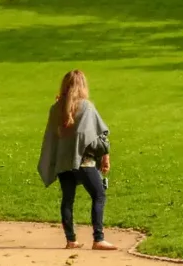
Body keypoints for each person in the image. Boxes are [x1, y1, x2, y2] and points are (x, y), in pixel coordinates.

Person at [37, 70, 115, 250]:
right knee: (99, 195)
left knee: (67, 199)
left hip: (63, 163)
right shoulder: (86, 107)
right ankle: (98, 238)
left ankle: (71, 240)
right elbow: (96, 137)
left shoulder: (55, 108)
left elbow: (52, 137)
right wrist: (105, 156)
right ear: (83, 85)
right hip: (84, 162)